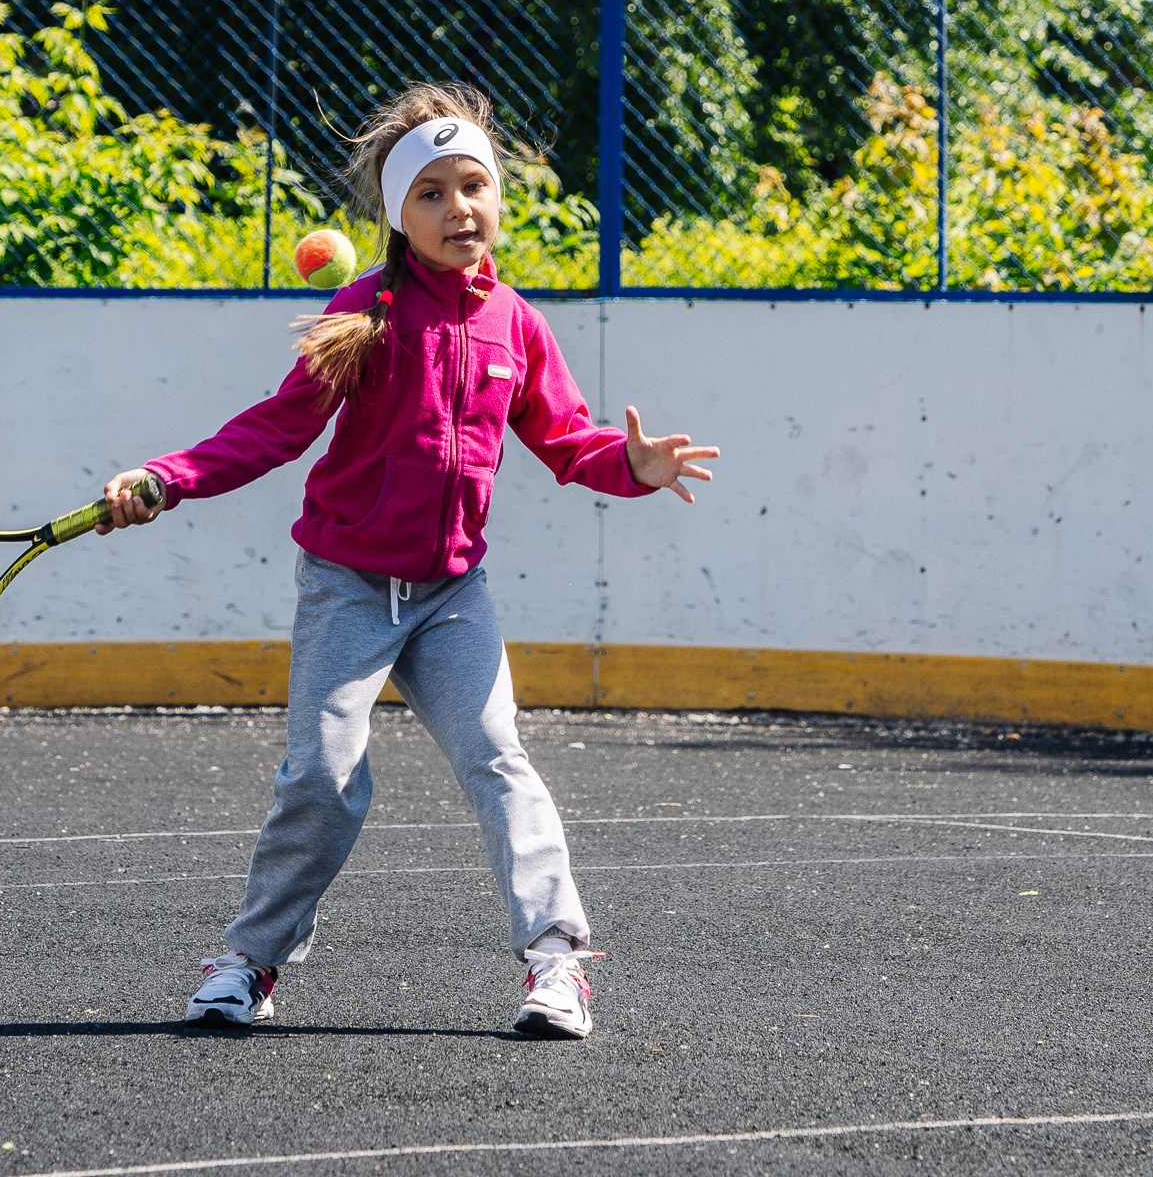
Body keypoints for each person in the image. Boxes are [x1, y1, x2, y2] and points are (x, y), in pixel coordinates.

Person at [101, 82, 718, 1040]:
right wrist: (167, 476)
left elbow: (567, 442)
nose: (457, 207)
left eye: (472, 185)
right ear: (398, 216)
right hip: (348, 588)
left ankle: (556, 962)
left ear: (497, 197)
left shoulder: (517, 323)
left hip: (455, 598)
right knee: (324, 780)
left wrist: (631, 467)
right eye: (429, 193)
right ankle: (252, 962)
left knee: (499, 760)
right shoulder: (364, 314)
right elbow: (275, 428)